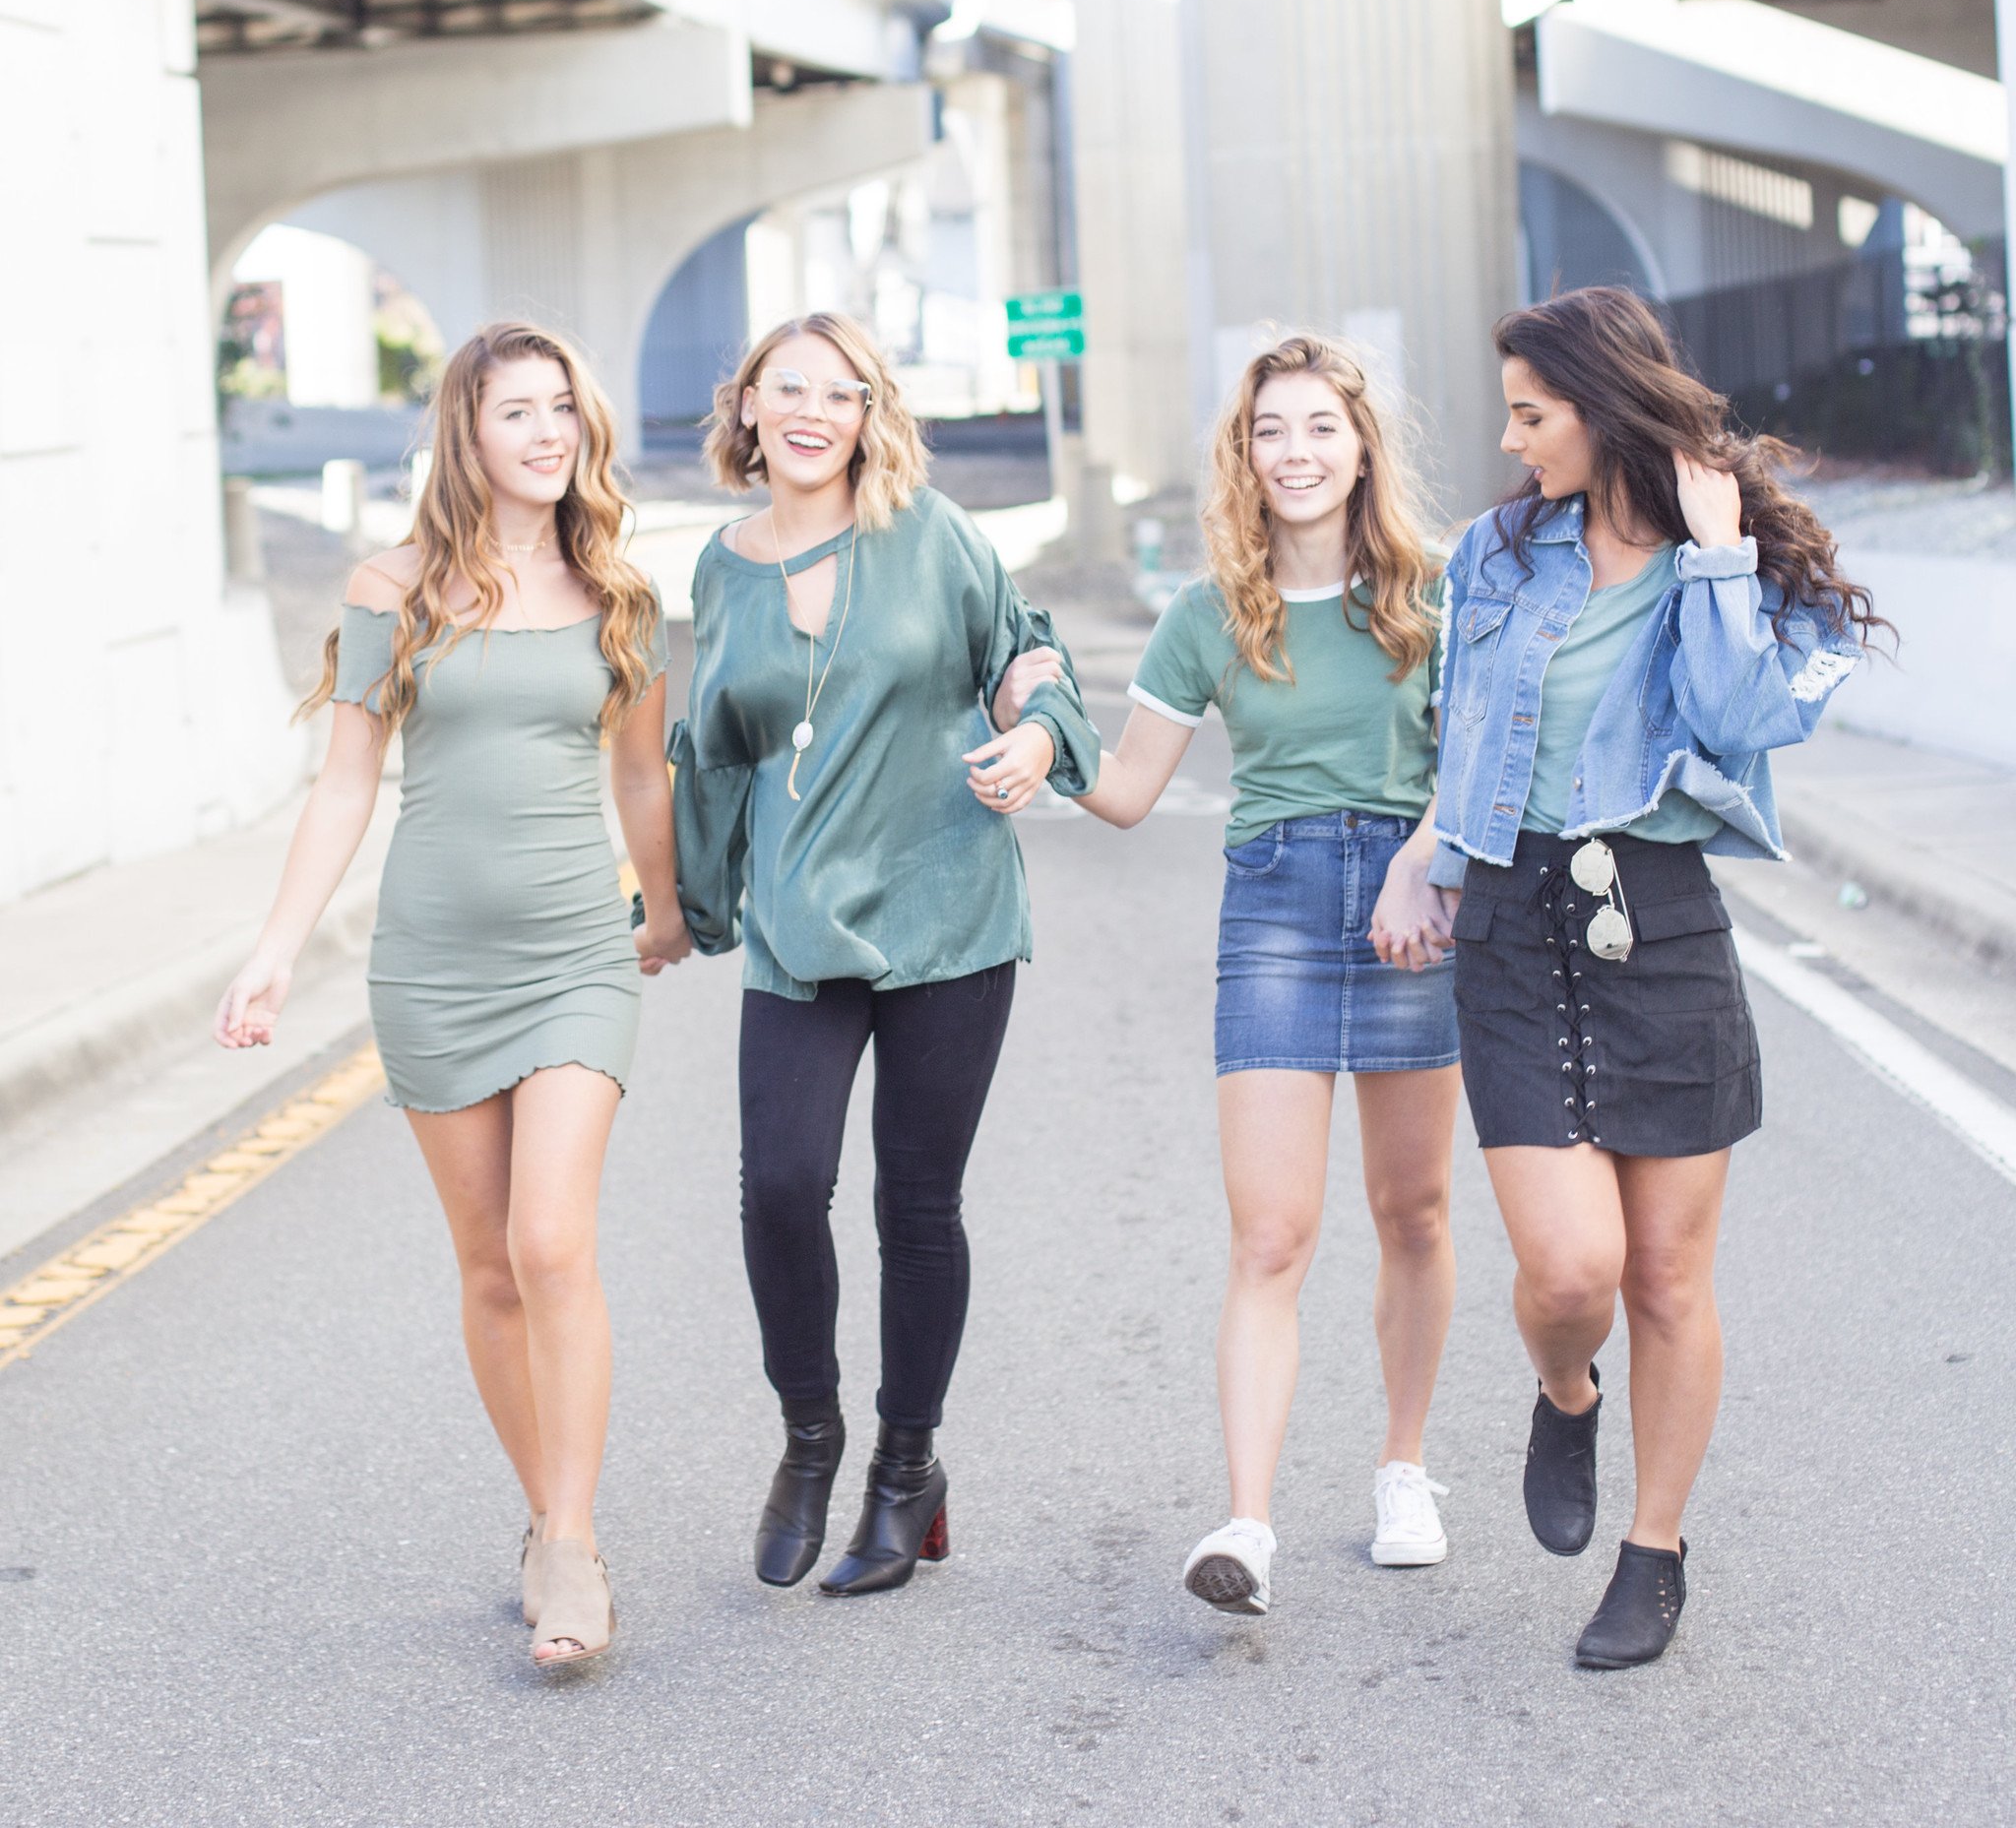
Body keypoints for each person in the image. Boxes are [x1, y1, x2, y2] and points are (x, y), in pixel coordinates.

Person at [215, 321, 686, 1670]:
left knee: (550, 1242)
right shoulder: (396, 587)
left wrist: (662, 902)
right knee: (486, 1268)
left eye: (562, 410)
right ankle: (544, 1521)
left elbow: (641, 775)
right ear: (467, 438)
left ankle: (579, 1547)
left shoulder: (619, 594)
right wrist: (274, 948)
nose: (546, 434)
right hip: (430, 965)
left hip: (573, 960)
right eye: (516, 413)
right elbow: (346, 784)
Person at [1431, 285, 1884, 1669]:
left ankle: (1654, 1550)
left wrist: (1715, 560)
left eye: (1532, 413)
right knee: (1571, 1269)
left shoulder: (1744, 560)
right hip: (1514, 921)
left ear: (1604, 405)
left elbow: (1745, 723)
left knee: (1671, 1278)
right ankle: (1565, 1392)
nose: (1512, 441)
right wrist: (1428, 858)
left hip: (1662, 919)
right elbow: (1454, 729)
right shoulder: (1496, 556)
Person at [996, 334, 1463, 1614]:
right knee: (1271, 1232)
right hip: (1273, 909)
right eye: (1271, 432)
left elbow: (1487, 760)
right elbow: (1132, 789)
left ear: (1362, 445)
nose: (1296, 452)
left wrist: (1428, 859)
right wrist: (1038, 727)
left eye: (1320, 427)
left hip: (1413, 905)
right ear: (1242, 457)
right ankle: (1248, 1522)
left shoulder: (1433, 591)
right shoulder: (1211, 611)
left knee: (1413, 1212)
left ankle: (1404, 1468)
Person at [671, 311, 1101, 1597]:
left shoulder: (932, 536)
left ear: (871, 416)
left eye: (840, 393)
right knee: (779, 1186)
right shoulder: (720, 566)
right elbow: (719, 752)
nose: (811, 411)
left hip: (947, 909)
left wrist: (1040, 735)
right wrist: (689, 910)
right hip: (799, 923)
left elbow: (1024, 652)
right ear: (746, 406)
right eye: (785, 386)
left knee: (917, 1206)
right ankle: (812, 1436)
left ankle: (908, 1468)